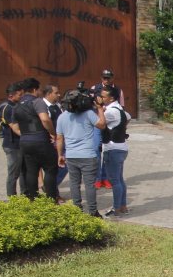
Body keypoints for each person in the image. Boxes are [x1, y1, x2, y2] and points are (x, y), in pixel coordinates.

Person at [56, 89, 107, 217]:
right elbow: (102, 125)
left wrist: (60, 155)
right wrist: (100, 108)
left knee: (74, 183)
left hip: (71, 156)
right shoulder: (89, 114)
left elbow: (59, 138)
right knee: (89, 185)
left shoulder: (62, 117)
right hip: (88, 156)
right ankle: (92, 211)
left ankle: (77, 209)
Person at [8, 78, 59, 201]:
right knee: (50, 169)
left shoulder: (16, 106)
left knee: (31, 171)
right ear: (35, 89)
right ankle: (51, 199)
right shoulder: (37, 102)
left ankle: (32, 198)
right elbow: (45, 119)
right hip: (41, 140)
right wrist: (53, 133)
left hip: (25, 142)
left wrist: (25, 134)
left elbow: (14, 126)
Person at [100, 86, 131, 214]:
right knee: (119, 179)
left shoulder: (110, 112)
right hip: (121, 147)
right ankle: (123, 206)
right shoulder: (119, 108)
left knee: (114, 180)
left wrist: (98, 110)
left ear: (111, 98)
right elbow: (128, 117)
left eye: (103, 96)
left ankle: (116, 208)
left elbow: (99, 123)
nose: (101, 98)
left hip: (113, 149)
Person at [90, 69, 117, 189]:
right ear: (101, 78)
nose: (106, 80)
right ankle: (97, 178)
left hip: (110, 124)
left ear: (112, 78)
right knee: (96, 148)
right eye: (104, 78)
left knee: (107, 150)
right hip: (97, 123)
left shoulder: (117, 90)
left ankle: (106, 178)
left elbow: (121, 107)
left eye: (108, 78)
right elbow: (90, 105)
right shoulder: (94, 88)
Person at [0, 82, 24, 197]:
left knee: (24, 171)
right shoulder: (7, 108)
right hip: (12, 145)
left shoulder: (16, 106)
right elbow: (15, 128)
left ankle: (25, 194)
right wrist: (28, 137)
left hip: (19, 143)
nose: (21, 97)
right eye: (19, 95)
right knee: (14, 172)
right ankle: (11, 196)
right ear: (11, 96)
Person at [44, 85, 67, 191]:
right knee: (56, 167)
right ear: (49, 94)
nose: (59, 95)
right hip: (51, 141)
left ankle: (51, 187)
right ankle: (51, 189)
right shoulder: (43, 107)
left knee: (63, 165)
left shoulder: (57, 105)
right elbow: (45, 123)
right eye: (56, 93)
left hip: (61, 140)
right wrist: (52, 134)